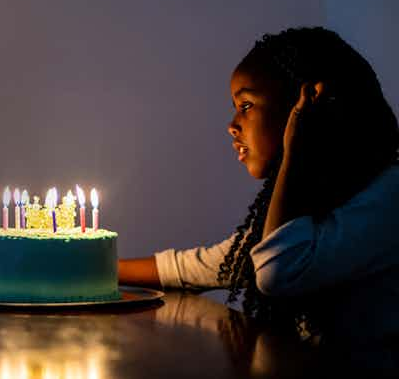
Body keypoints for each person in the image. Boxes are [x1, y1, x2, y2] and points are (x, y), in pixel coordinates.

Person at [119, 27, 399, 358]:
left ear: (305, 106)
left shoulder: (388, 197)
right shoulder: (320, 199)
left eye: (246, 104)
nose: (232, 124)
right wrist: (80, 266)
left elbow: (277, 272)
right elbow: (196, 267)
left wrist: (293, 152)